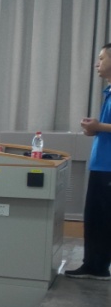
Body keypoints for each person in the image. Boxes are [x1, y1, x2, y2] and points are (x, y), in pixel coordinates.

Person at [67, 43, 111, 280]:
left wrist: (99, 126)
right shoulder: (109, 91)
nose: (97, 64)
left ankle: (97, 267)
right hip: (102, 165)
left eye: (102, 58)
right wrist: (94, 129)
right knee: (95, 217)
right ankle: (94, 264)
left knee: (101, 219)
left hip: (108, 167)